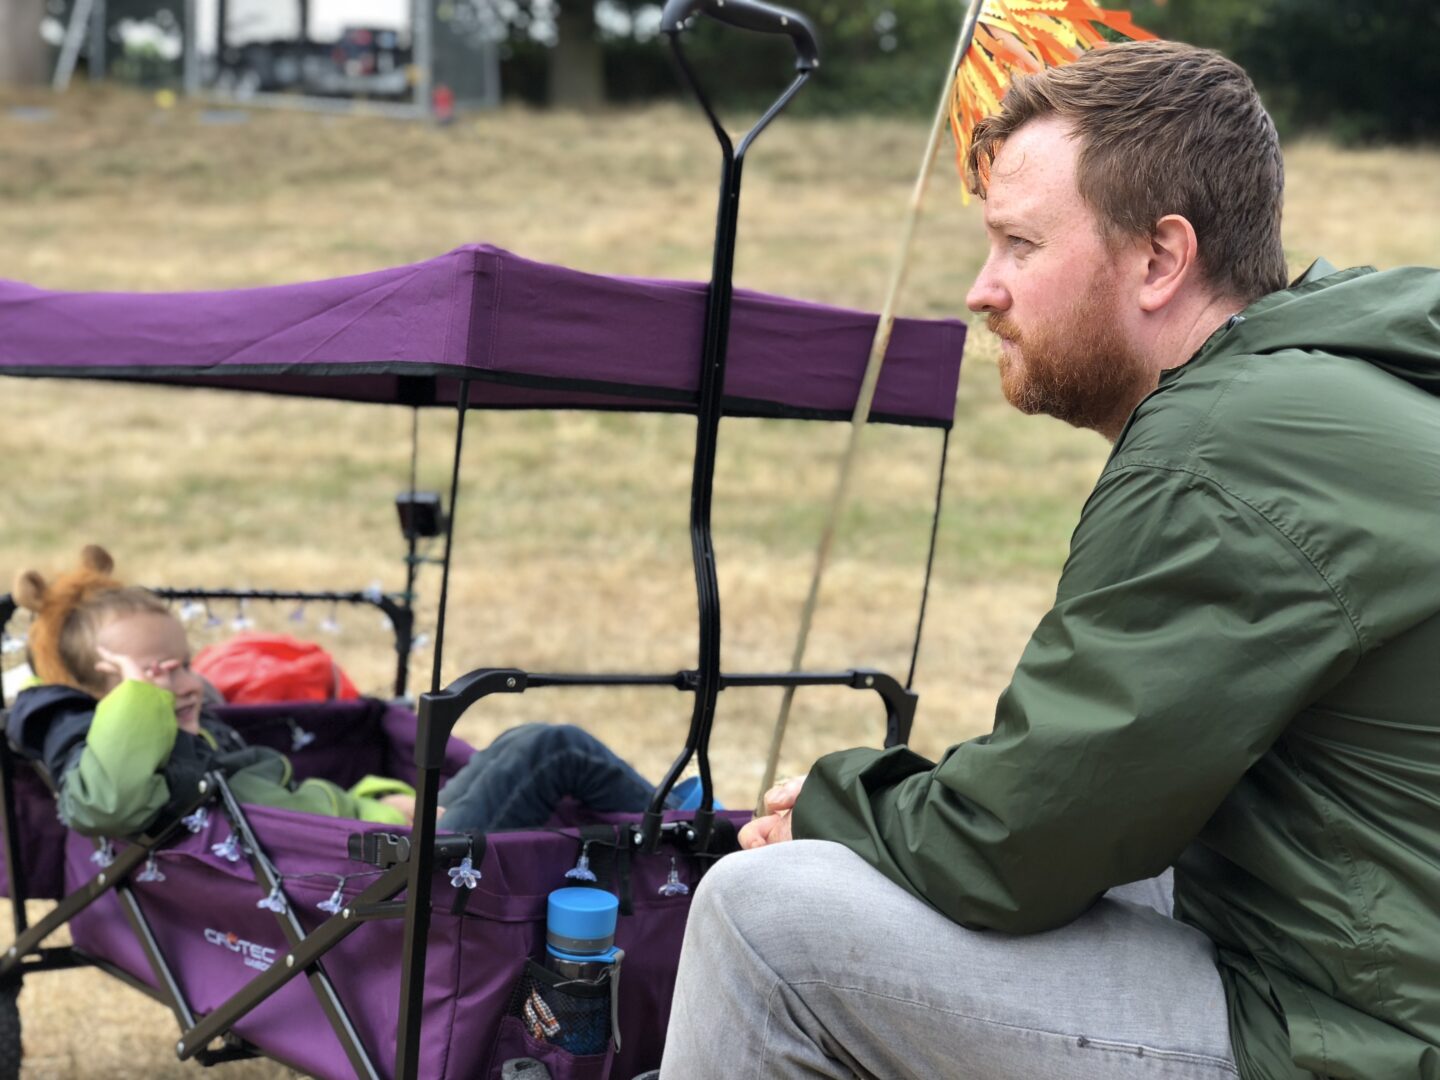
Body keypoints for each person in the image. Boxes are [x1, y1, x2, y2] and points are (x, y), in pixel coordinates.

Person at [660, 39, 1440, 1080]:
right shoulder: (1327, 390)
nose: (983, 292)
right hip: (1371, 951)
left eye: (1020, 244)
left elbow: (1016, 847)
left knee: (767, 923)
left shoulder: (1220, 452)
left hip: (1370, 1033)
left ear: (1162, 257)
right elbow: (1100, 802)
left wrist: (833, 806)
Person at [7, 546, 696, 839]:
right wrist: (140, 701)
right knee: (550, 748)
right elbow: (101, 804)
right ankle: (687, 833)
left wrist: (377, 800)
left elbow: (304, 801)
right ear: (108, 704)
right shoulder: (134, 766)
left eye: (182, 663)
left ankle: (670, 817)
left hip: (383, 835)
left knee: (525, 742)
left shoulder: (196, 737)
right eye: (159, 674)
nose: (187, 681)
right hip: (382, 880)